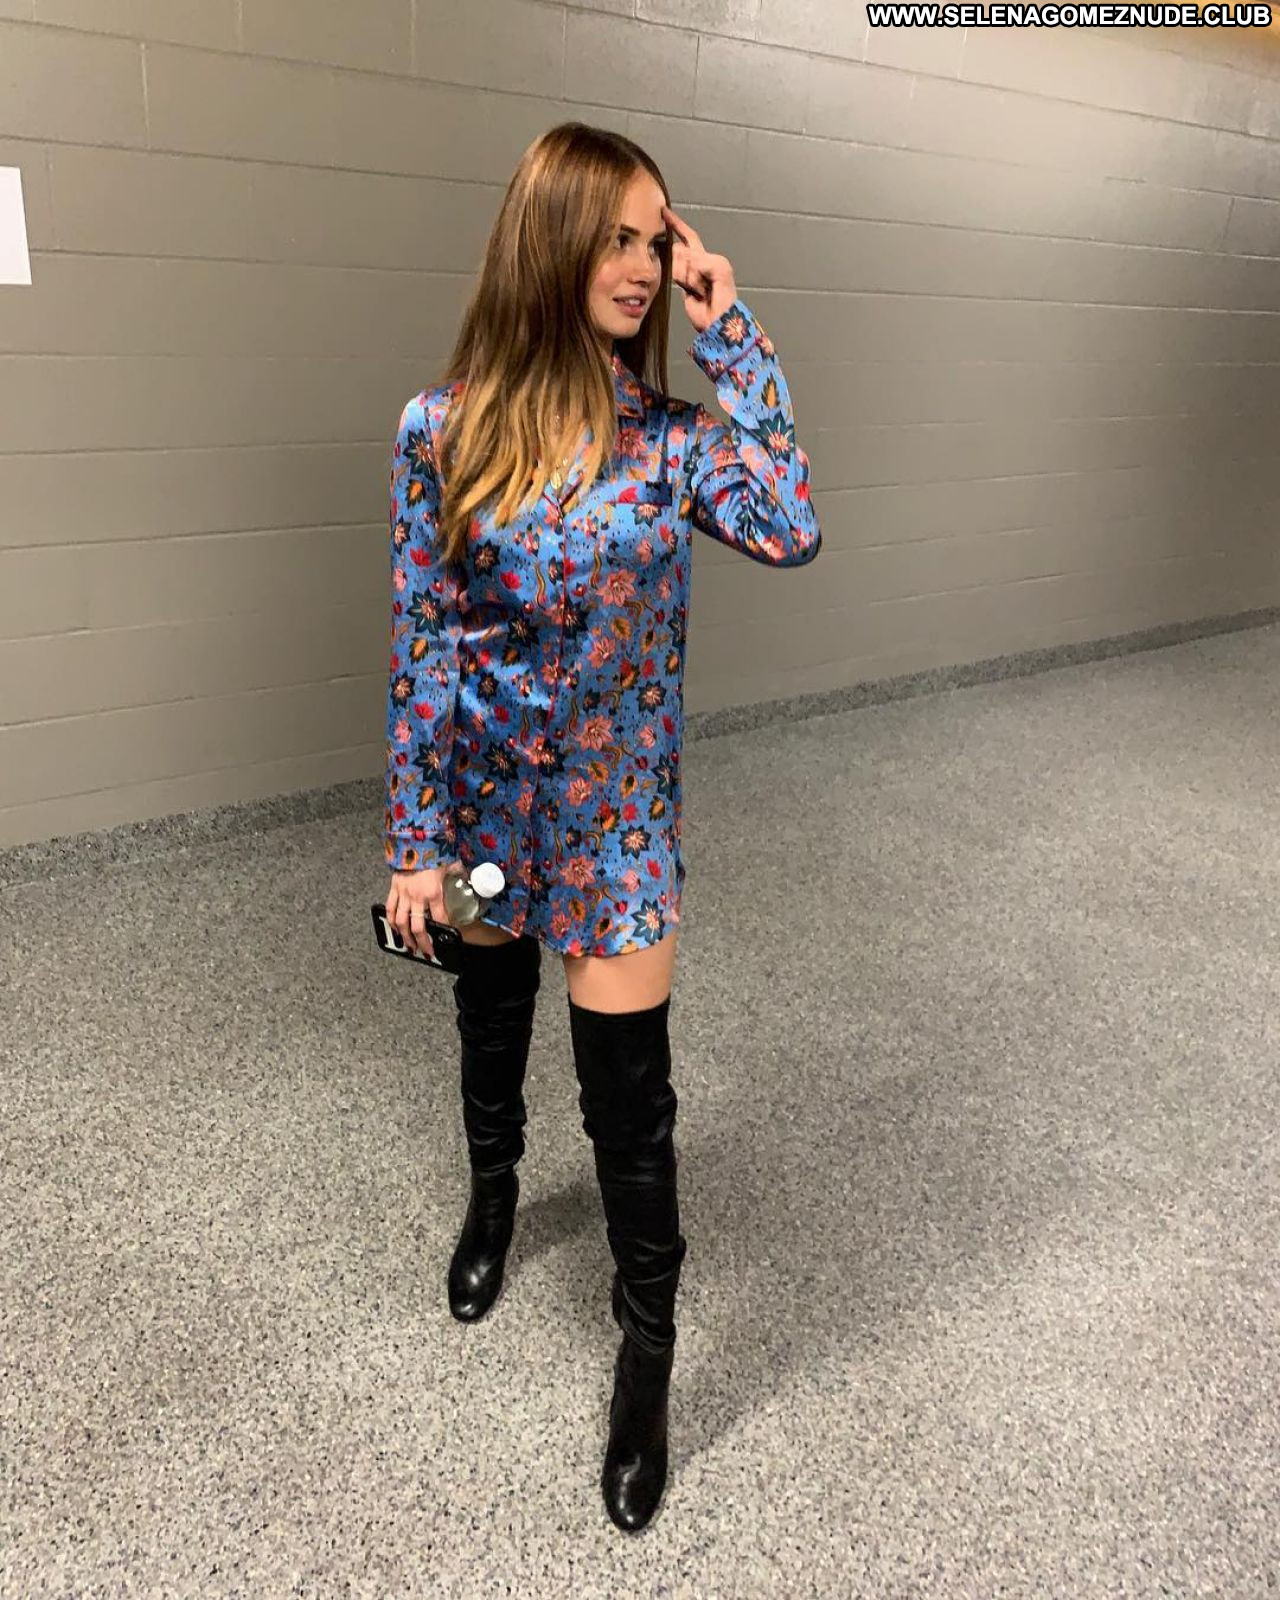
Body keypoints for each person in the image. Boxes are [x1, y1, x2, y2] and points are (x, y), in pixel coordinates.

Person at [382, 122, 822, 1533]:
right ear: (552, 240)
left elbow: (793, 525)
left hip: (619, 829)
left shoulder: (675, 447)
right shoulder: (441, 430)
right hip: (485, 817)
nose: (641, 265)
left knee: (631, 1107)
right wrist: (414, 844)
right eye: (616, 237)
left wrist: (730, 326)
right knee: (489, 1026)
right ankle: (494, 1197)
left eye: (656, 238)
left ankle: (648, 1355)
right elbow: (425, 644)